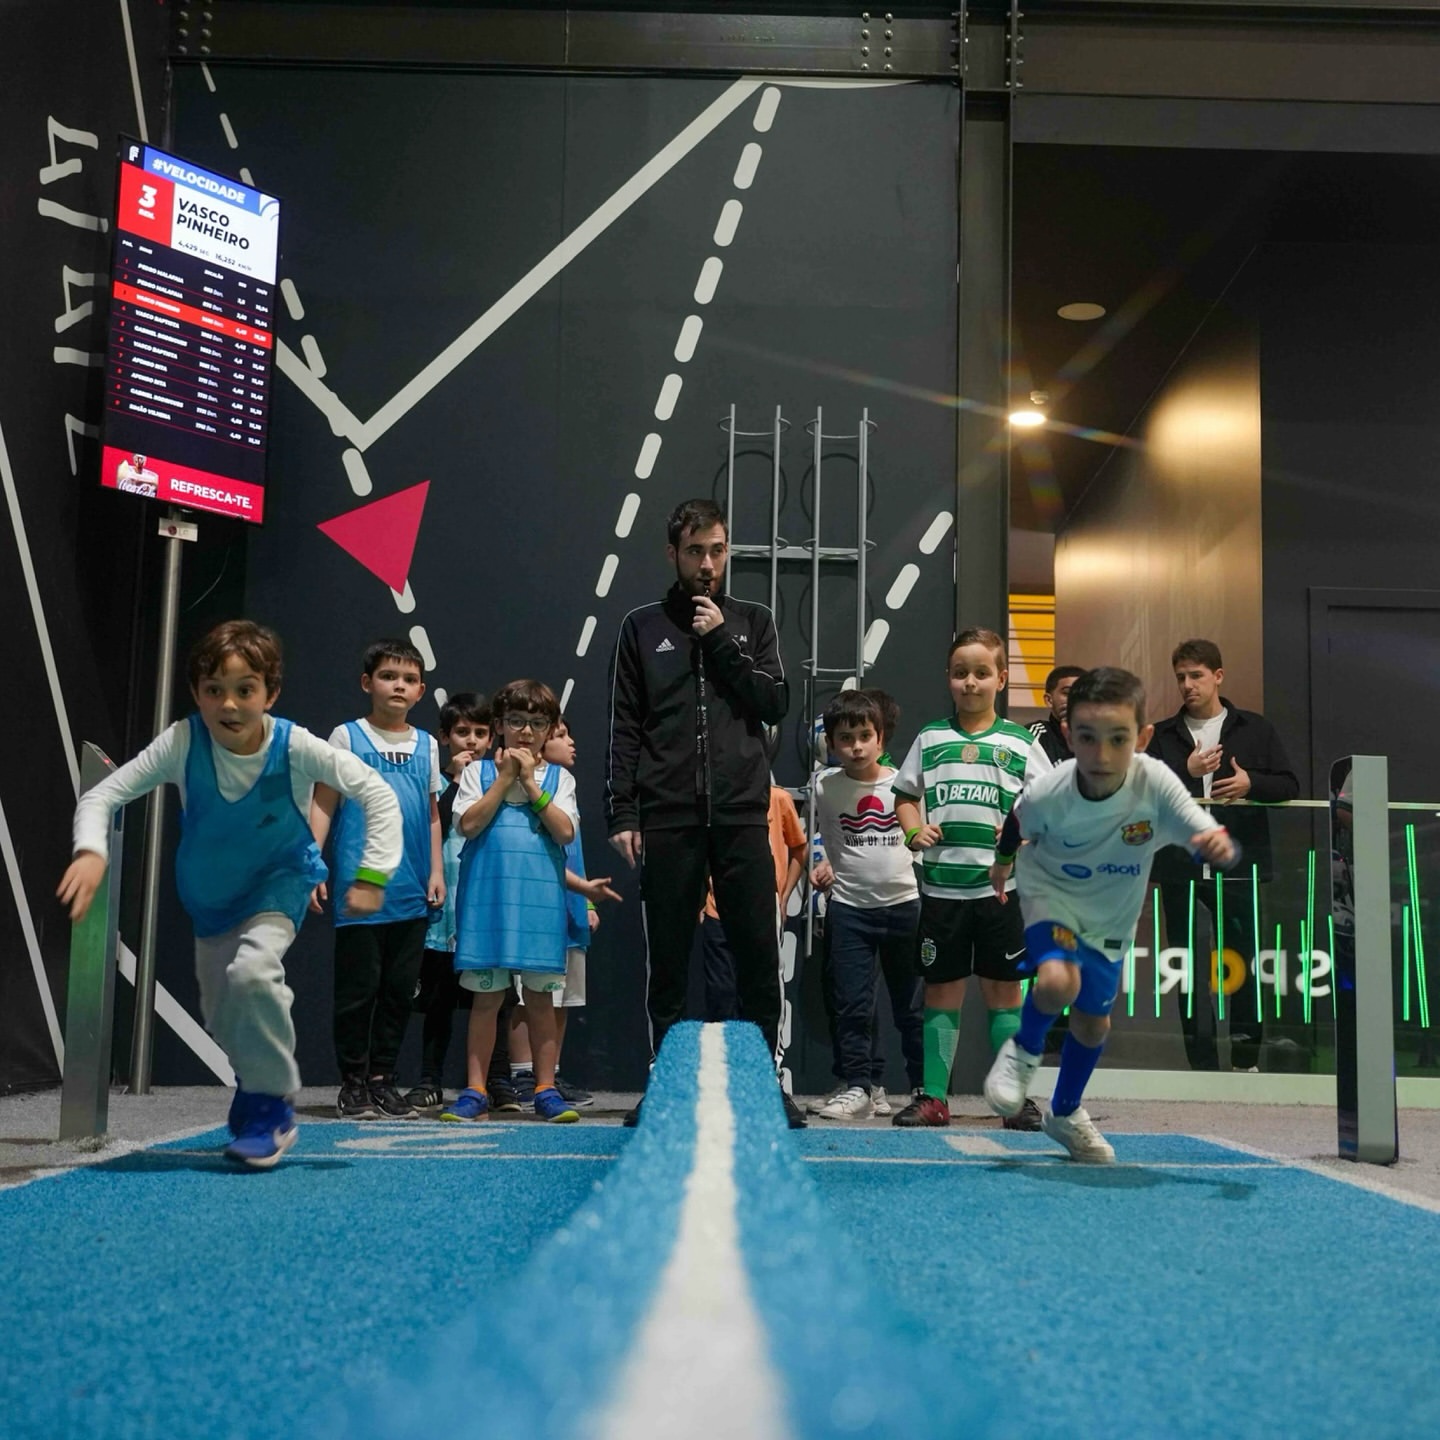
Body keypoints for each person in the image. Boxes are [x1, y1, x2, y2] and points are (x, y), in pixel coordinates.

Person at [57, 620, 401, 1168]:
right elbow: (104, 796)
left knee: (252, 975)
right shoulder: (182, 742)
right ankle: (253, 1080)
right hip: (210, 900)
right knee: (224, 1013)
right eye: (214, 689)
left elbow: (377, 794)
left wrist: (373, 875)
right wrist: (91, 850)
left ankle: (272, 1107)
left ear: (271, 694)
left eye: (245, 690)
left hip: (280, 881)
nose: (229, 704)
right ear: (196, 693)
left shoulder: (296, 746)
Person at [983, 667, 1239, 1162]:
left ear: (1142, 737)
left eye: (1118, 739)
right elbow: (1016, 821)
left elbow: (1203, 832)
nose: (1102, 755)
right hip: (1051, 893)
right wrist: (1003, 862)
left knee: (1094, 1026)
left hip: (1110, 919)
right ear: (1067, 735)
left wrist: (1218, 846)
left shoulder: (1156, 784)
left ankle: (1065, 1111)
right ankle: (1023, 1049)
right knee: (1058, 982)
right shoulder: (1050, 790)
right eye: (1087, 738)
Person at [606, 497, 800, 1128]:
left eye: (717, 550)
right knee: (666, 959)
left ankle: (765, 1083)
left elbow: (774, 704)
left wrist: (719, 639)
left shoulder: (752, 620)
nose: (708, 563)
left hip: (744, 812)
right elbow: (625, 728)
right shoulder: (639, 626)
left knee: (756, 958)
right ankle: (663, 1080)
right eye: (696, 551)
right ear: (673, 554)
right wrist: (622, 812)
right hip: (666, 815)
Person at [892, 627, 1052, 1129]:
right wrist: (913, 830)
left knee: (1005, 994)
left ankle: (1013, 1099)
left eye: (982, 673)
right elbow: (904, 794)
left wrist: (1024, 838)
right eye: (961, 673)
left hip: (999, 895)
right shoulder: (930, 738)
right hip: (942, 892)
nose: (970, 682)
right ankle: (934, 1096)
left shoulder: (1020, 742)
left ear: (1001, 679)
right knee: (941, 994)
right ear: (948, 678)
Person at [1147, 640, 1299, 1071]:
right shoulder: (1161, 735)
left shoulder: (1255, 729)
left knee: (1245, 962)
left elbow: (1289, 786)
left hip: (1239, 865)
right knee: (1188, 969)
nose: (1187, 685)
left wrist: (1252, 785)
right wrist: (1187, 775)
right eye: (1180, 677)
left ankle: (1245, 1062)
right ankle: (1203, 1067)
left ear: (1218, 675)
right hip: (1181, 867)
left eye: (1196, 675)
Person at [310, 639, 444, 1121]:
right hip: (361, 890)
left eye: (409, 680)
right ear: (368, 683)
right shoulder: (346, 738)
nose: (399, 686)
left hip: (410, 891)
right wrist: (313, 861)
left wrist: (436, 871)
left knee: (396, 992)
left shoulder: (428, 744)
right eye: (389, 676)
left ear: (421, 691)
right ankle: (353, 1083)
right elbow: (324, 800)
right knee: (358, 991)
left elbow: (432, 815)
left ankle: (384, 1079)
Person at [441, 680, 580, 1124]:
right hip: (488, 905)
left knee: (541, 1002)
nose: (526, 731)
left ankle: (544, 1089)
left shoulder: (561, 778)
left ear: (549, 728)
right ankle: (475, 1091)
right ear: (499, 725)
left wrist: (530, 786)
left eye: (537, 723)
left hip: (539, 907)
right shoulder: (479, 774)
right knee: (487, 1002)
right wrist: (504, 780)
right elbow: (468, 825)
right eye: (517, 722)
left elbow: (565, 832)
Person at [809, 689, 924, 1120]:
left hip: (905, 906)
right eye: (845, 738)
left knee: (911, 1008)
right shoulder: (825, 786)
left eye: (864, 736)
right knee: (852, 1006)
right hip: (850, 910)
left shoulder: (905, 784)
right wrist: (829, 872)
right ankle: (859, 1085)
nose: (856, 746)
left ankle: (924, 1088)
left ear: (880, 739)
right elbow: (831, 842)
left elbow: (919, 837)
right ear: (831, 744)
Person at [507, 715, 620, 1108]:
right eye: (560, 735)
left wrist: (586, 898)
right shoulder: (521, 787)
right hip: (537, 905)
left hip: (570, 905)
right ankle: (522, 1073)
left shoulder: (566, 786)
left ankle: (548, 1075)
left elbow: (572, 851)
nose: (570, 742)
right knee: (528, 995)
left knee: (563, 996)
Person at [405, 691, 491, 1112]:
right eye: (462, 732)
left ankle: (495, 1081)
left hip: (484, 909)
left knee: (492, 1000)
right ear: (444, 737)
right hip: (443, 910)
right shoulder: (436, 782)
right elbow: (428, 824)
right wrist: (456, 780)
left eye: (480, 733)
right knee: (437, 1002)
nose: (471, 741)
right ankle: (429, 1078)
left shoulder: (497, 782)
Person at [697, 727, 805, 1023]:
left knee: (762, 992)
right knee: (720, 994)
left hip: (763, 909)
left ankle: (766, 1064)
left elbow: (799, 849)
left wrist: (782, 895)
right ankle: (723, 1063)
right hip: (717, 911)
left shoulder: (778, 798)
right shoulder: (710, 799)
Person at [1029, 665, 1084, 766]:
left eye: (1082, 693)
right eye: (1067, 693)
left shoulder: (1099, 738)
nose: (1075, 699)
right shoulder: (1034, 736)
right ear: (1049, 700)